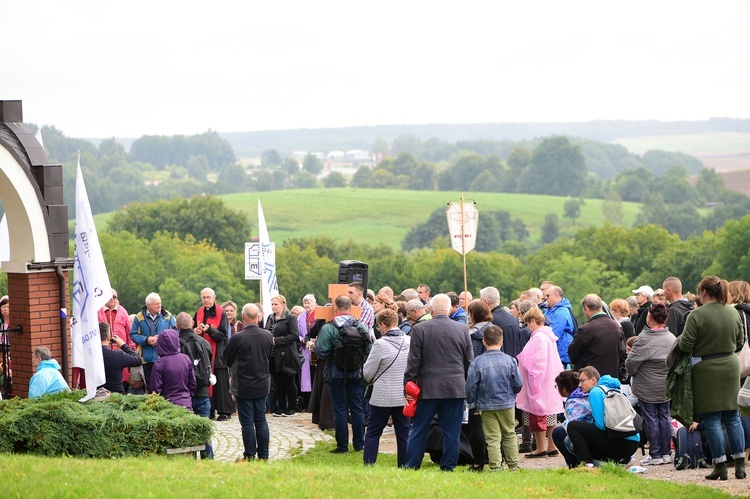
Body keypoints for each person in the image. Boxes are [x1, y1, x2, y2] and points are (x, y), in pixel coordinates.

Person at [678, 276, 746, 480]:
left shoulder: (696, 315)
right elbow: (740, 341)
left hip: (706, 368)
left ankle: (720, 466)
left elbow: (685, 346)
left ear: (704, 293)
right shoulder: (733, 311)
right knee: (733, 417)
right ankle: (740, 465)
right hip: (730, 365)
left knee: (713, 419)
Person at [403, 294, 473, 472]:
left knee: (419, 429)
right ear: (450, 309)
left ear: (431, 310)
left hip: (428, 388)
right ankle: (448, 466)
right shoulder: (462, 329)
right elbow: (469, 362)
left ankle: (412, 465)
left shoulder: (420, 329)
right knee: (452, 432)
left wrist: (408, 383)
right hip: (455, 388)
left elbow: (414, 362)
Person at [315, 295, 372, 453]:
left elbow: (321, 352)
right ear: (351, 308)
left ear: (336, 308)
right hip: (356, 373)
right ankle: (360, 445)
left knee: (339, 409)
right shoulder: (360, 326)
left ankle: (342, 446)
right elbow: (369, 348)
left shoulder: (329, 328)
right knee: (357, 408)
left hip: (335, 374)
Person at [465, 325, 524, 472]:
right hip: (507, 402)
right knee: (509, 434)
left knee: (492, 437)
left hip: (486, 404)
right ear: (501, 341)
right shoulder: (510, 360)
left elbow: (471, 386)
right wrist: (512, 393)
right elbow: (518, 383)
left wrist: (472, 402)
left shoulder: (477, 362)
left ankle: (496, 466)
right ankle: (513, 465)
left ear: (484, 342)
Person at [625, 302, 677, 466]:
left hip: (647, 387)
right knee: (665, 417)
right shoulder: (672, 338)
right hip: (666, 386)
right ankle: (666, 453)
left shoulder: (643, 340)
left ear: (649, 317)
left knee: (651, 419)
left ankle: (655, 454)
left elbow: (630, 365)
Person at [224, 303, 274, 461]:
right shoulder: (268, 336)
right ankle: (264, 456)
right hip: (261, 383)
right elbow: (270, 358)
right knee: (261, 420)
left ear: (243, 316)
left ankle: (250, 455)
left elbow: (227, 359)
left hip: (243, 386)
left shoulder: (238, 337)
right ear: (258, 317)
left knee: (247, 422)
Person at [565, 366, 640, 467]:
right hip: (633, 440)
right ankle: (621, 460)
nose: (579, 385)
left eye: (582, 381)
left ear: (593, 380)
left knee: (573, 427)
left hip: (622, 443)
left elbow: (601, 425)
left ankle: (587, 465)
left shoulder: (595, 392)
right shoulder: (613, 389)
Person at [363, 309, 411, 467]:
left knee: (373, 432)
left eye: (379, 327)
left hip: (381, 396)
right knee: (404, 433)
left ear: (383, 325)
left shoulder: (380, 344)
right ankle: (404, 465)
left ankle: (369, 464)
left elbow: (368, 373)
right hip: (403, 395)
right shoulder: (410, 341)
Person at [516, 307, 564, 458]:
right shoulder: (549, 336)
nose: (527, 327)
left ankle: (540, 448)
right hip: (550, 381)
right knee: (550, 415)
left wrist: (534, 381)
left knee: (538, 415)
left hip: (539, 382)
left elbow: (537, 362)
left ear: (532, 322)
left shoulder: (538, 338)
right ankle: (551, 446)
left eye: (527, 323)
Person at [176, 311, 214, 459]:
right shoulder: (204, 342)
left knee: (187, 430)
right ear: (192, 324)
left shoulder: (176, 344)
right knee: (205, 431)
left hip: (184, 394)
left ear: (177, 326)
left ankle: (189, 460)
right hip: (203, 391)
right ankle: (208, 459)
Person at [194, 288, 233, 421]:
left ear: (214, 297)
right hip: (203, 352)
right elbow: (193, 328)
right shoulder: (198, 312)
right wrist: (196, 331)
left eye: (208, 297)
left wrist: (209, 330)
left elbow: (223, 335)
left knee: (221, 383)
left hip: (218, 353)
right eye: (204, 297)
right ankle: (209, 409)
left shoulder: (221, 313)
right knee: (206, 381)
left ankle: (224, 411)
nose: (206, 300)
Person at [466, 299, 493, 470]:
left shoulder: (471, 334)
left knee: (476, 424)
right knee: (493, 426)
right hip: (493, 382)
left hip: (476, 381)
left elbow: (469, 360)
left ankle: (478, 461)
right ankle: (496, 458)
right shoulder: (494, 330)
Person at [568, 294, 623, 378]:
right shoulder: (616, 326)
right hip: (611, 377)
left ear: (586, 308)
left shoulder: (586, 329)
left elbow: (573, 354)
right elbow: (621, 351)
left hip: (590, 378)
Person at [131, 292, 176, 391]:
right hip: (147, 359)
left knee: (165, 388)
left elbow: (176, 332)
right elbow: (133, 335)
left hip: (164, 358)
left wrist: (162, 339)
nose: (159, 305)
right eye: (156, 304)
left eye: (160, 302)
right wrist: (147, 340)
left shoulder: (168, 316)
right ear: (148, 305)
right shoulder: (139, 317)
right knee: (151, 389)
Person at [266, 294, 301, 417]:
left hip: (287, 354)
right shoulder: (270, 318)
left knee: (289, 380)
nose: (273, 307)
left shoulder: (290, 318)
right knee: (278, 382)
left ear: (283, 305)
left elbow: (294, 335)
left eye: (276, 304)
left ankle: (291, 407)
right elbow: (267, 332)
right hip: (273, 355)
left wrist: (277, 340)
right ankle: (280, 406)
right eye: (272, 304)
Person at [551, 370, 594, 468]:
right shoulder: (585, 394)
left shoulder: (574, 402)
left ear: (564, 389)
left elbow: (573, 424)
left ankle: (574, 464)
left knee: (558, 433)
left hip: (586, 437)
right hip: (594, 432)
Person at [98, 289, 135, 393]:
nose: (112, 299)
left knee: (121, 385)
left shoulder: (123, 311)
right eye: (109, 296)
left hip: (120, 356)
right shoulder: (97, 311)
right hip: (103, 355)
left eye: (114, 296)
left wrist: (130, 349)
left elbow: (130, 334)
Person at [150, 329, 196, 410]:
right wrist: (188, 397)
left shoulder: (159, 363)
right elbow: (192, 384)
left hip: (167, 406)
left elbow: (155, 390)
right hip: (186, 403)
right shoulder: (186, 358)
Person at [99, 322, 142, 394]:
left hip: (97, 394)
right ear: (109, 337)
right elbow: (137, 360)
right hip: (116, 395)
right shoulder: (118, 355)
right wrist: (123, 345)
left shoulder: (91, 356)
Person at [542, 286, 575, 367]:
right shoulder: (551, 310)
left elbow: (553, 334)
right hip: (555, 353)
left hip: (559, 355)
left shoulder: (561, 312)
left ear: (556, 295)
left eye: (548, 295)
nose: (546, 298)